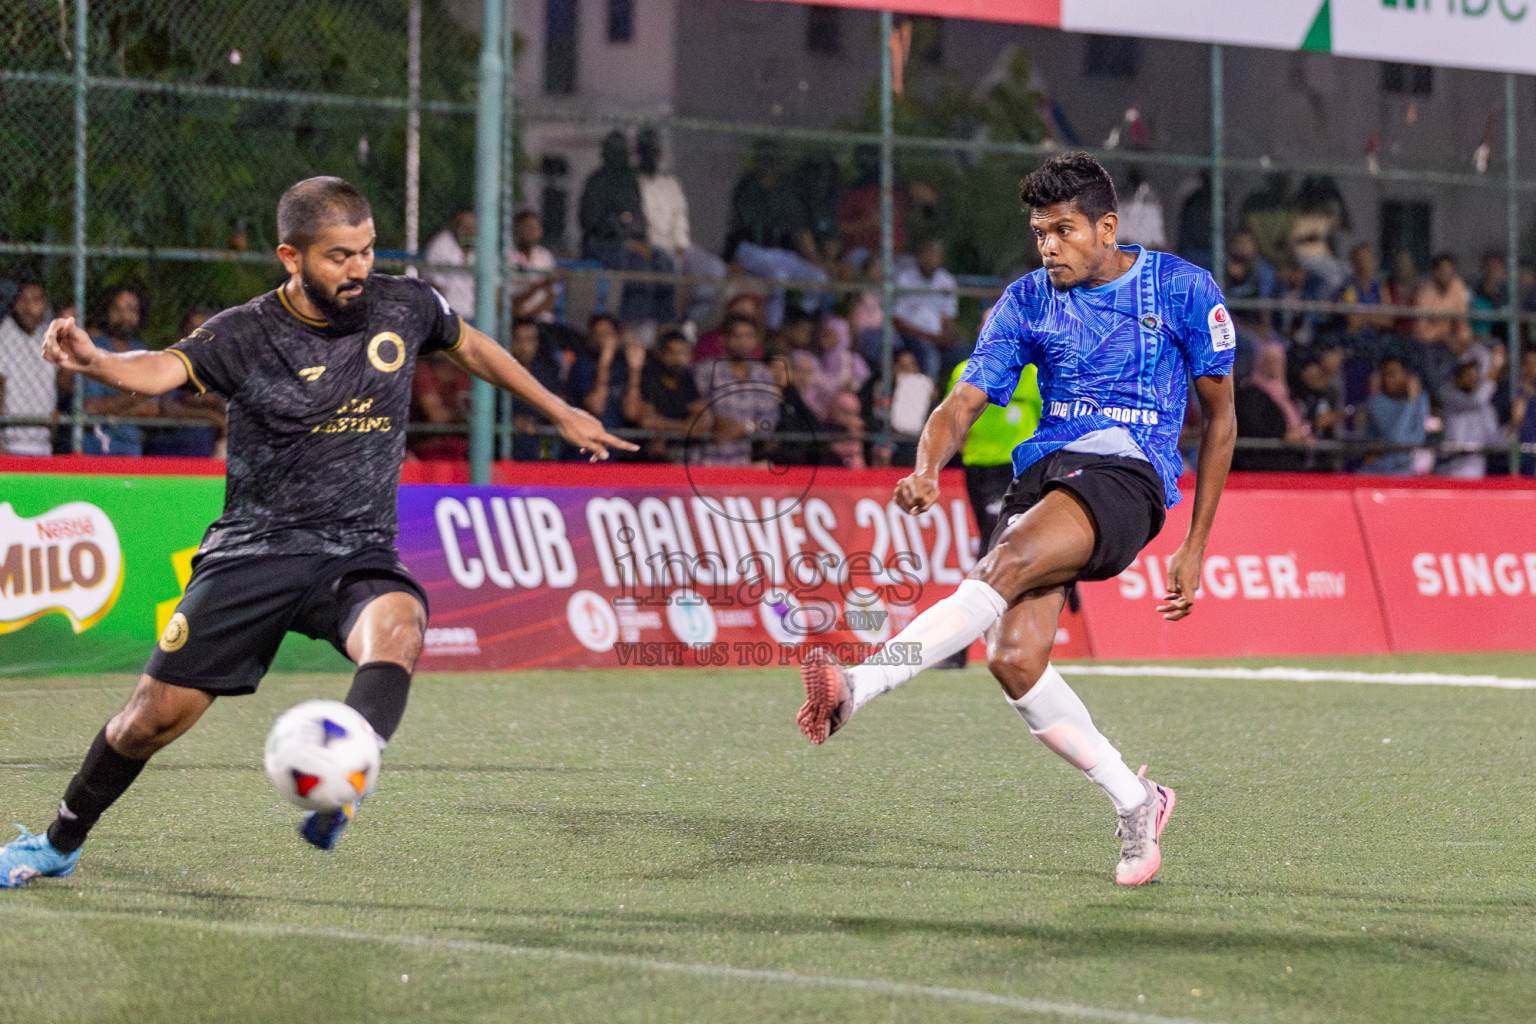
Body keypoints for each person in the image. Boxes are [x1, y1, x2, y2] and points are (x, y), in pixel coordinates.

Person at [0, 176, 634, 887]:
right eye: (338, 256)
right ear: (290, 257)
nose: (358, 268)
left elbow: (470, 345)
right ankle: (58, 841)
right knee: (147, 721)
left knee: (399, 627)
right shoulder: (245, 333)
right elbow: (161, 370)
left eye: (365, 250)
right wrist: (96, 360)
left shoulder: (404, 304)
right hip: (255, 551)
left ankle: (347, 775)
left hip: (355, 550)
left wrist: (558, 410)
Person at [796, 152, 1236, 887]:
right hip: (1044, 477)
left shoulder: (1181, 289)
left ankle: (858, 686)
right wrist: (926, 466)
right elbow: (960, 402)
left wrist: (1196, 545)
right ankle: (1137, 800)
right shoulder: (1028, 300)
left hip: (1130, 476)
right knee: (1014, 659)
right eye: (1039, 232)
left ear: (1107, 226)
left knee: (996, 569)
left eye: (1064, 231)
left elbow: (1221, 420)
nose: (1049, 247)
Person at [725, 140, 827, 328]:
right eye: (766, 158)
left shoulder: (785, 190)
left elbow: (799, 230)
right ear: (759, 160)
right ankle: (774, 330)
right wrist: (731, 259)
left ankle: (799, 322)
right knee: (778, 277)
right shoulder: (748, 186)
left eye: (774, 158)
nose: (770, 163)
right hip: (750, 249)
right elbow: (737, 226)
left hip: (779, 253)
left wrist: (815, 258)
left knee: (818, 278)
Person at [579, 130, 675, 326]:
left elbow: (637, 216)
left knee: (665, 263)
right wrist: (625, 239)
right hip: (603, 243)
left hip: (635, 242)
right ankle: (632, 326)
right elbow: (591, 222)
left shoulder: (629, 179)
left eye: (622, 151)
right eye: (614, 151)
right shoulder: (597, 182)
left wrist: (643, 242)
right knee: (638, 271)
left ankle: (663, 327)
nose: (619, 155)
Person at [635, 127, 725, 325]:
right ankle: (667, 324)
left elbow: (680, 215)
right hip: (653, 247)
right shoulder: (633, 183)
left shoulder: (670, 182)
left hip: (678, 245)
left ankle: (690, 320)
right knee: (671, 270)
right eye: (647, 151)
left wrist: (680, 245)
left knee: (714, 269)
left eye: (655, 151)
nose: (652, 155)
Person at [692, 313, 780, 465]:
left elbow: (771, 418)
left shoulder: (762, 373)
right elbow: (692, 408)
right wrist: (715, 421)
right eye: (736, 336)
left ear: (755, 340)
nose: (742, 342)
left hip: (742, 461)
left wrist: (746, 427)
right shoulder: (706, 370)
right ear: (723, 340)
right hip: (705, 459)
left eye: (748, 336)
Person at [81, 286, 159, 456]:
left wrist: (113, 406)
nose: (124, 316)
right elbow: (92, 407)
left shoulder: (141, 350)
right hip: (99, 447)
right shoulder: (95, 348)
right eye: (117, 309)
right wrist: (137, 397)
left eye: (131, 310)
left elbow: (152, 409)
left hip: (132, 448)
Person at [143, 308, 228, 458]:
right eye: (191, 329)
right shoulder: (169, 362)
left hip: (209, 451)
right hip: (172, 450)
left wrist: (211, 403)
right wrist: (210, 415)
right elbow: (167, 407)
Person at [621, 328, 709, 462]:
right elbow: (645, 420)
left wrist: (665, 425)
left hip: (682, 455)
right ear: (660, 353)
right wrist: (685, 427)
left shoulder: (686, 378)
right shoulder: (648, 377)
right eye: (672, 353)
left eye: (683, 353)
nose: (678, 358)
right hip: (644, 458)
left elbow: (705, 418)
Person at [0, 278, 56, 456]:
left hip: (44, 443)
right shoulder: (5, 334)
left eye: (36, 300)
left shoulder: (47, 334)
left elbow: (65, 384)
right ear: (14, 304)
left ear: (44, 304)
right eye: (23, 300)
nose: (28, 307)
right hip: (11, 444)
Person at [1232, 341, 1308, 471]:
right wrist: (1283, 436)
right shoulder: (1250, 394)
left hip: (1289, 464)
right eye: (1269, 361)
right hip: (1259, 466)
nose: (1273, 366)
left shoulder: (1289, 393)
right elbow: (1252, 428)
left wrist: (1304, 433)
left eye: (1277, 361)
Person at [892, 238, 960, 379]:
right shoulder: (905, 279)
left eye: (934, 256)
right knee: (930, 356)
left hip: (937, 337)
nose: (930, 260)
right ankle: (927, 399)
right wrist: (930, 338)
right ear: (919, 257)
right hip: (911, 336)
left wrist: (946, 336)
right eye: (926, 255)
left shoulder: (947, 280)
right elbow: (897, 321)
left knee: (965, 354)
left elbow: (948, 317)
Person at [1356, 355, 1428, 476]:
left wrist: (1412, 400)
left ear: (1407, 375)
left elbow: (1419, 438)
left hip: (1404, 471)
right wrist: (1409, 403)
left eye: (1392, 374)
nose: (1388, 379)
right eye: (1385, 375)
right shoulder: (1377, 401)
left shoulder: (1420, 399)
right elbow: (1395, 439)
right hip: (1375, 472)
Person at [1436, 359, 1500, 479]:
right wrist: (1492, 376)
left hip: (1475, 466)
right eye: (1466, 374)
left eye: (1474, 375)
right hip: (1448, 465)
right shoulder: (1448, 394)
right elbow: (1476, 401)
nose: (1471, 378)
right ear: (1457, 377)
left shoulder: (1486, 408)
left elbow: (1493, 439)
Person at [424, 210, 477, 321]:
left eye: (472, 226)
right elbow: (435, 287)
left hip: (477, 317)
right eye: (463, 225)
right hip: (450, 317)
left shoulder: (483, 247)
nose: (468, 230)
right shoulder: (441, 245)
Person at [510, 210, 558, 324]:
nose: (532, 232)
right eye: (527, 227)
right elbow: (506, 302)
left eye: (535, 228)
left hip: (542, 320)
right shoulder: (507, 257)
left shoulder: (545, 256)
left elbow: (551, 296)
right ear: (517, 230)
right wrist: (536, 287)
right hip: (515, 321)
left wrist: (531, 314)